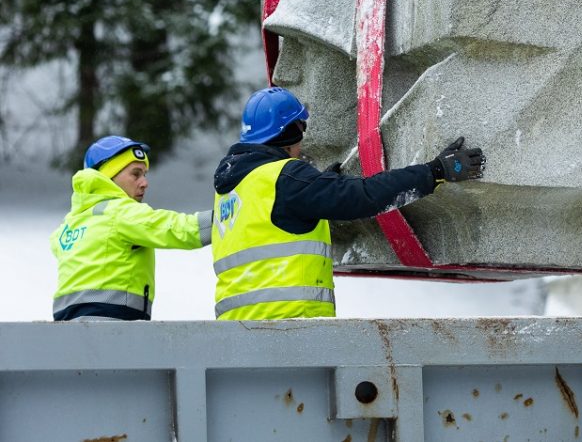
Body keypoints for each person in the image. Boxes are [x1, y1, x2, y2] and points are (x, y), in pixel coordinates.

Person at [211, 86, 485, 320]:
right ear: (290, 133)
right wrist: (434, 172)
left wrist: (320, 187)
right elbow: (364, 196)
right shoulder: (287, 177)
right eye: (301, 128)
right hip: (288, 329)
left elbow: (276, 221)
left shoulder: (234, 188)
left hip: (239, 332)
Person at [50, 136, 212, 321]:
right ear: (108, 177)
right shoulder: (121, 213)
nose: (144, 183)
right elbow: (178, 229)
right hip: (113, 325)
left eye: (144, 175)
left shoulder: (69, 224)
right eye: (136, 174)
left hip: (65, 329)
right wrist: (225, 217)